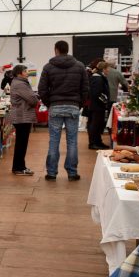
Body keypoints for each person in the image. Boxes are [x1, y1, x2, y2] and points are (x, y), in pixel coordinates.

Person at [38, 40, 88, 181]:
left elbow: (42, 89)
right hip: (73, 106)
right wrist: (79, 104)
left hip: (55, 106)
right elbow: (85, 88)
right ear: (67, 49)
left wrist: (50, 104)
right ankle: (72, 173)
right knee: (72, 141)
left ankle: (52, 173)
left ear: (56, 50)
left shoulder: (48, 67)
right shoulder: (79, 66)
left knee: (54, 140)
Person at [9, 65, 38, 175]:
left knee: (21, 143)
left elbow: (31, 97)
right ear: (19, 73)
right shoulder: (20, 84)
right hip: (22, 116)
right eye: (25, 71)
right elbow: (32, 100)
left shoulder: (19, 82)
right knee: (21, 143)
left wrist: (34, 97)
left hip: (22, 115)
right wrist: (35, 98)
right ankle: (19, 168)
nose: (27, 72)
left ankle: (19, 167)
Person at [87, 62, 111, 150]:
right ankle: (93, 143)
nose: (109, 70)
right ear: (103, 69)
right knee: (95, 125)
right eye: (108, 68)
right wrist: (105, 101)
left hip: (96, 105)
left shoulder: (98, 77)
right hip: (97, 106)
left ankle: (98, 142)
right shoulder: (98, 78)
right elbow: (98, 94)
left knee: (97, 125)